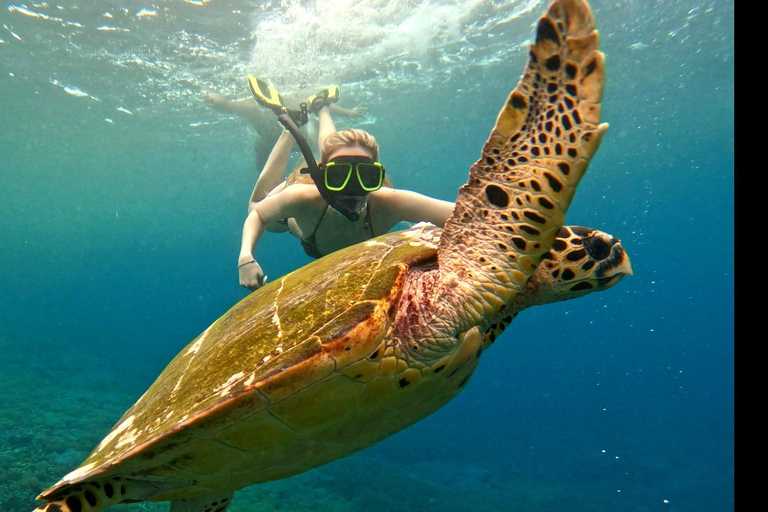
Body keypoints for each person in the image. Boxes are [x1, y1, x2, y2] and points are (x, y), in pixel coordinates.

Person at [237, 78, 455, 290]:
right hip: (293, 209)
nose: (352, 189)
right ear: (323, 177)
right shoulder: (303, 197)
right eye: (339, 176)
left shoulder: (389, 202)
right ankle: (290, 128)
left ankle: (322, 108)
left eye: (365, 176)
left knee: (337, 153)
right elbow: (257, 216)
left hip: (324, 174)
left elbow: (466, 215)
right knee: (255, 205)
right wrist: (245, 258)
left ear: (376, 179)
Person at [202, 87, 366, 170]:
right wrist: (223, 104)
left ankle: (311, 129)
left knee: (318, 151)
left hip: (292, 138)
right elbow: (320, 106)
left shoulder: (293, 100)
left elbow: (318, 104)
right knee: (260, 166)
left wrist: (348, 113)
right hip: (270, 138)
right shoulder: (259, 109)